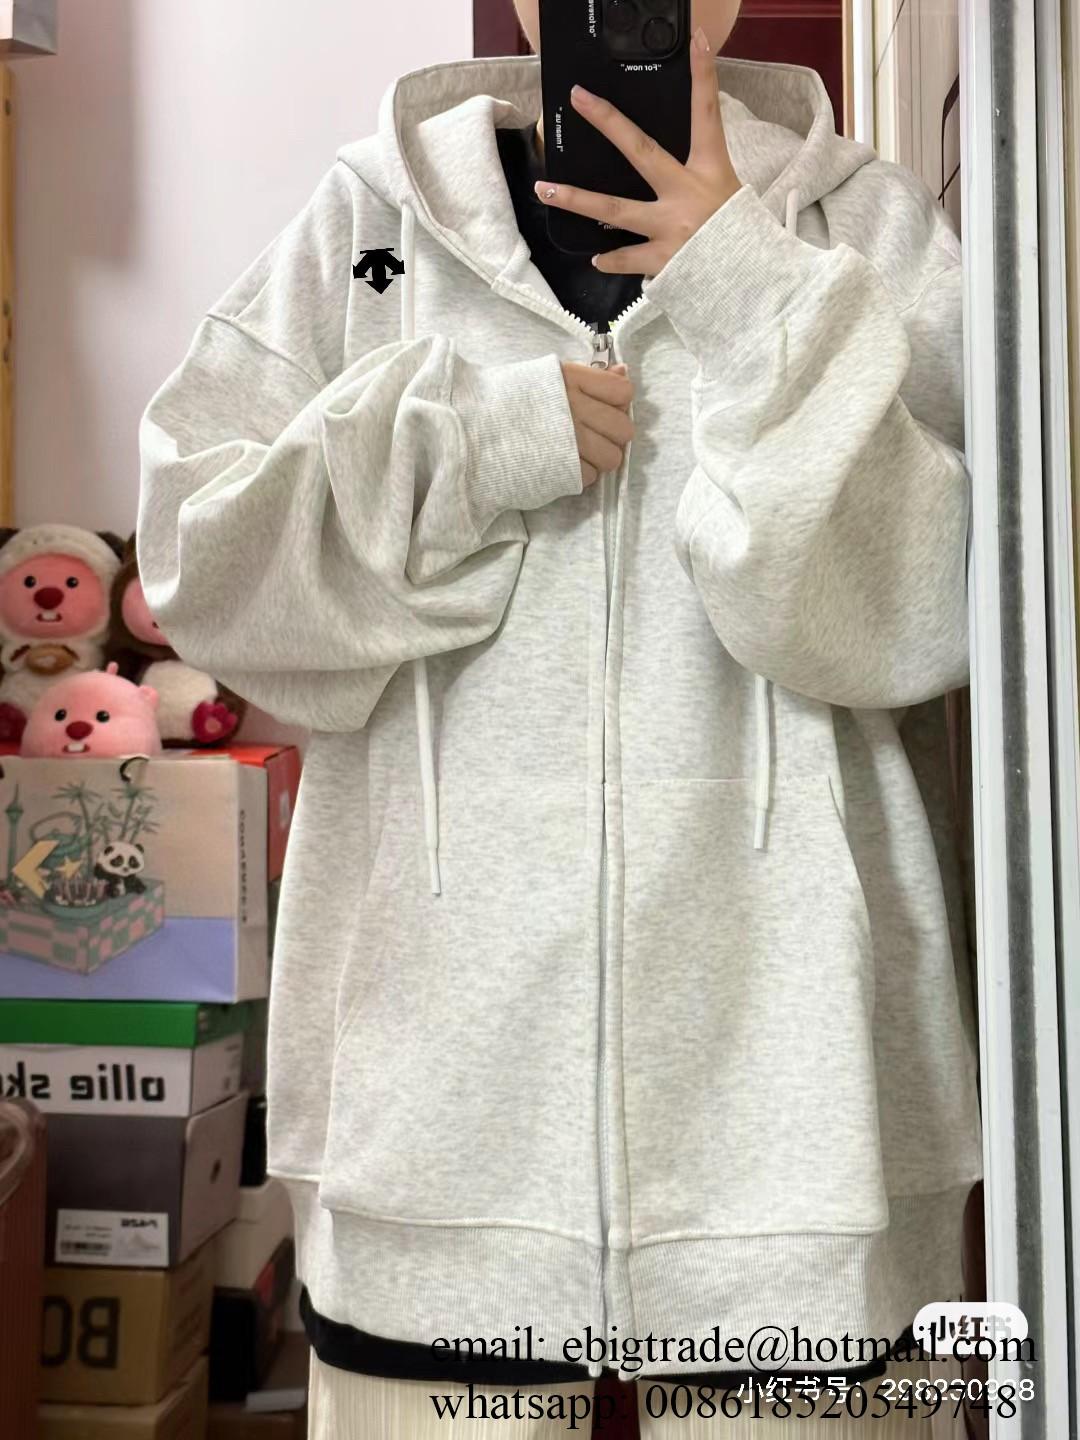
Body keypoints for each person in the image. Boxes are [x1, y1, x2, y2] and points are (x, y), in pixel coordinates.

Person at [136, 0, 984, 1434]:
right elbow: (200, 566)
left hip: (802, 1144)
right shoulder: (371, 223)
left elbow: (931, 605)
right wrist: (465, 449)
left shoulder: (867, 229)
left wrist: (745, 280)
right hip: (437, 1139)